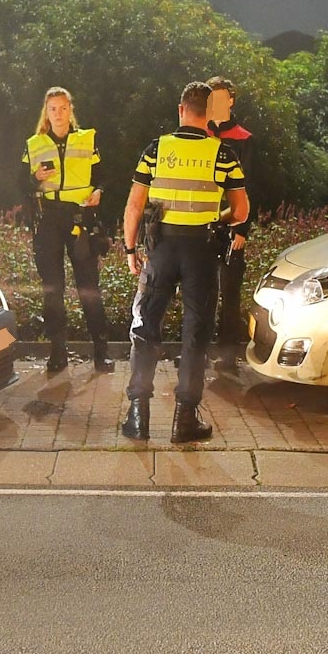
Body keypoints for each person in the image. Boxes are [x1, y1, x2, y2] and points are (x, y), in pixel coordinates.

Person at [120, 81, 249, 443]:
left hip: (161, 250)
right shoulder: (223, 154)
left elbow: (133, 206)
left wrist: (131, 251)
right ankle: (186, 420)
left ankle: (137, 416)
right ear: (207, 116)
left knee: (145, 328)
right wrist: (215, 219)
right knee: (195, 334)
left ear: (181, 110)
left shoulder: (155, 149)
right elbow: (241, 210)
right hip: (201, 254)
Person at [23, 86, 114, 374]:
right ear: (46, 113)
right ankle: (57, 353)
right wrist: (36, 177)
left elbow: (102, 177)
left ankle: (101, 353)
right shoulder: (34, 144)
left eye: (63, 108)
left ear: (70, 110)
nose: (59, 114)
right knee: (53, 290)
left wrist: (99, 191)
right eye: (53, 109)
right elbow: (19, 186)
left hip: (80, 219)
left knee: (89, 287)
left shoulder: (86, 140)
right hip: (49, 219)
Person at [204, 76, 254, 375]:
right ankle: (198, 350)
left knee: (230, 291)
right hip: (201, 225)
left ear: (231, 100)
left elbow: (250, 187)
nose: (217, 104)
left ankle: (227, 354)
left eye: (222, 98)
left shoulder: (244, 138)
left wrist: (241, 229)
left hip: (230, 225)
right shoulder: (199, 134)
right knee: (200, 291)